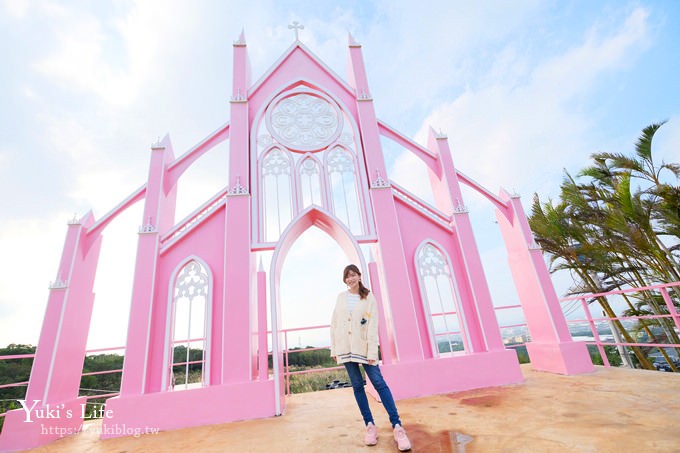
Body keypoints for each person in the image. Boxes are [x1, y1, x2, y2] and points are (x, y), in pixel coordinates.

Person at [330, 264, 412, 451]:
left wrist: (372, 353)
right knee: (358, 386)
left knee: (379, 382)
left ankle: (397, 426)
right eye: (346, 276)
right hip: (345, 349)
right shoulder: (341, 298)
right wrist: (334, 349)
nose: (350, 279)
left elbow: (372, 325)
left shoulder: (369, 298)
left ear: (359, 276)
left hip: (364, 349)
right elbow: (334, 324)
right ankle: (370, 425)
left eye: (353, 275)